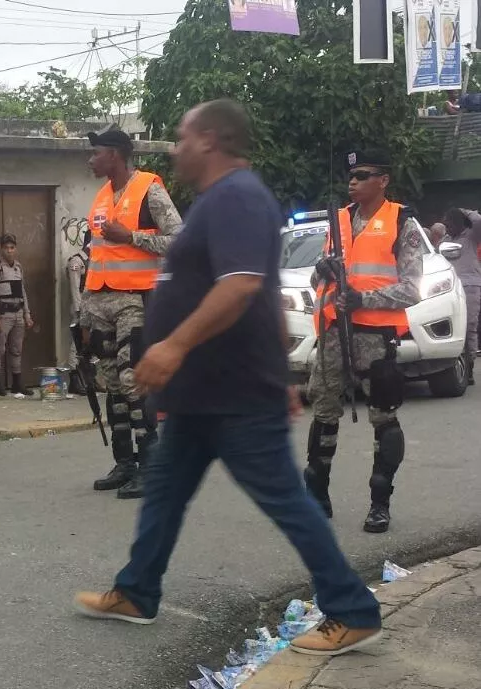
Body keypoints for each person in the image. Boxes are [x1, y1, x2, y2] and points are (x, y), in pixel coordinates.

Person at [74, 99, 382, 658]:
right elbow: (256, 294)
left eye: (182, 136)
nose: (175, 147)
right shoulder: (218, 201)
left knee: (286, 501)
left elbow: (242, 288)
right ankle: (137, 591)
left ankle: (353, 609)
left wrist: (173, 345)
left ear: (210, 140)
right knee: (164, 492)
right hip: (202, 391)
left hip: (232, 390)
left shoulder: (239, 197)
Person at [304, 150, 422, 534]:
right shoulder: (337, 221)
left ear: (383, 180)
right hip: (334, 332)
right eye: (351, 176)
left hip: (376, 334)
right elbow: (317, 281)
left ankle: (380, 503)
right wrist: (320, 272)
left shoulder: (400, 221)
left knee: (383, 417)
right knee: (324, 413)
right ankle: (317, 495)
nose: (352, 182)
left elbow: (412, 289)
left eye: (363, 175)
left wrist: (364, 299)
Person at [81, 125, 183, 500]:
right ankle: (124, 462)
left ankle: (151, 466)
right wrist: (85, 312)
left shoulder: (148, 189)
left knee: (132, 381)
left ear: (116, 155)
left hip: (135, 301)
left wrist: (133, 237)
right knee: (110, 382)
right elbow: (97, 253)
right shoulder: (103, 194)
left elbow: (180, 239)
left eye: (96, 153)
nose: (91, 160)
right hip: (100, 301)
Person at [0, 234, 34, 397]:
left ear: (16, 249)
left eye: (12, 247)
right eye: (6, 248)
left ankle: (17, 383)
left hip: (18, 313)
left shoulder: (18, 267)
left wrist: (27, 314)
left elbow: (23, 292)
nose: (9, 251)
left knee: (16, 349)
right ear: (1, 249)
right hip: (4, 314)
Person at [441, 207, 481, 385]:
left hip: (470, 286)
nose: (447, 228)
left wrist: (463, 211)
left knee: (469, 326)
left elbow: (478, 220)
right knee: (453, 329)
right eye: (445, 225)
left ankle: (469, 367)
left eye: (450, 224)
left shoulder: (472, 236)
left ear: (460, 223)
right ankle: (455, 366)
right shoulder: (445, 241)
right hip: (449, 289)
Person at [65, 232, 90, 396]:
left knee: (89, 344)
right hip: (81, 307)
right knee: (77, 342)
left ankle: (88, 379)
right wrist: (80, 310)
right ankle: (73, 377)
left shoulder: (92, 261)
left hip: (92, 307)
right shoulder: (77, 261)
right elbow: (75, 289)